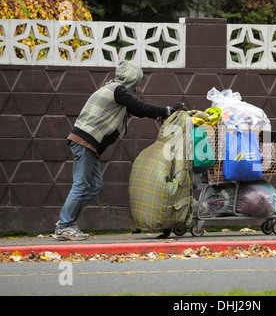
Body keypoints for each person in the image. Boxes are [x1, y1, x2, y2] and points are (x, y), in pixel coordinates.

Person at [53, 60, 184, 241]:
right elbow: (140, 107)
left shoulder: (118, 93)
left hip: (88, 144)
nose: (140, 85)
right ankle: (64, 225)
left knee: (95, 185)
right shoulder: (117, 90)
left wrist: (165, 112)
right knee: (81, 184)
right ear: (132, 79)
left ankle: (68, 222)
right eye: (139, 81)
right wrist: (167, 110)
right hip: (84, 141)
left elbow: (137, 111)